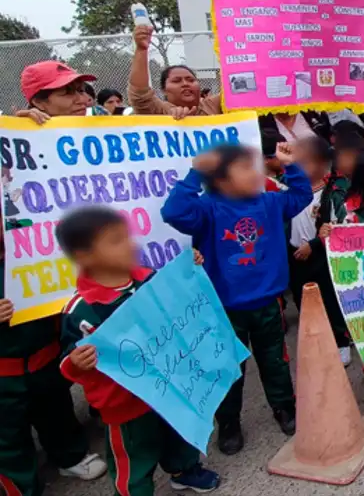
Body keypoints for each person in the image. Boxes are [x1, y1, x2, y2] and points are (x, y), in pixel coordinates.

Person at [161, 143, 311, 455]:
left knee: (275, 362)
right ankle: (228, 422)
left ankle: (284, 407)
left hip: (268, 304)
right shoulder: (207, 208)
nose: (255, 173)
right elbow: (173, 212)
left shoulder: (270, 202)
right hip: (223, 308)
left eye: (254, 166)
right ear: (220, 180)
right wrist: (195, 173)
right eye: (244, 168)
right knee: (226, 368)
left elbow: (302, 196)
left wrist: (290, 166)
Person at [57, 207, 220, 495]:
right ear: (85, 256)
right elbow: (66, 361)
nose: (131, 244)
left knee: (179, 435)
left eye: (128, 236)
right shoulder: (80, 309)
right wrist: (76, 362)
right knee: (133, 458)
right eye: (117, 240)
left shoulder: (149, 278)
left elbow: (176, 306)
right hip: (125, 404)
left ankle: (184, 470)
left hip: (170, 385)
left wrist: (188, 271)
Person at [0, 244, 107, 494]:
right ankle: (21, 486)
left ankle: (69, 456)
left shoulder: (29, 242)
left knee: (56, 411)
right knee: (8, 436)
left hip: (45, 357)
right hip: (4, 375)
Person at [286, 137, 353, 365]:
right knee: (304, 301)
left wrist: (313, 245)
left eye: (306, 161)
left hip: (321, 257)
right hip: (295, 256)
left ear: (322, 164)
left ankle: (342, 342)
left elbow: (337, 226)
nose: (300, 166)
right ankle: (317, 343)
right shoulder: (289, 191)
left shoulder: (332, 193)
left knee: (329, 300)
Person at [128, 25, 221, 117]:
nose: (185, 84)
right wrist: (141, 50)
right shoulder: (160, 110)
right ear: (164, 90)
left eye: (191, 80)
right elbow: (139, 95)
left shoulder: (213, 105)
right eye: (176, 81)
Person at [17, 60, 96, 122]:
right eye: (68, 93)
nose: (83, 100)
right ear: (39, 102)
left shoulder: (99, 125)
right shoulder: (26, 135)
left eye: (81, 90)